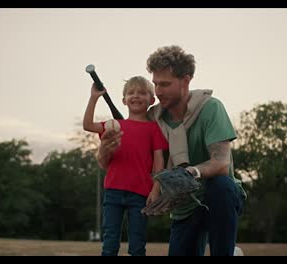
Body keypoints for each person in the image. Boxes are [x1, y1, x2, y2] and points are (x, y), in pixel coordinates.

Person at [97, 45, 246, 256]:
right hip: (183, 206)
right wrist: (105, 149)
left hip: (218, 199)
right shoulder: (151, 118)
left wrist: (190, 172)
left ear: (185, 81)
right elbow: (108, 163)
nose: (157, 91)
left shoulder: (210, 108)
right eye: (156, 84)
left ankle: (226, 252)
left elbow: (221, 163)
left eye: (165, 84)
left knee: (222, 186)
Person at [83, 76, 169, 256]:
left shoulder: (154, 128)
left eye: (142, 93)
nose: (136, 96)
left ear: (151, 100)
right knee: (110, 242)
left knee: (137, 244)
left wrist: (156, 189)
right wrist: (94, 98)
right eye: (131, 93)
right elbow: (88, 125)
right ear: (124, 100)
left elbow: (159, 160)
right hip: (113, 191)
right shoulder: (115, 125)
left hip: (141, 193)